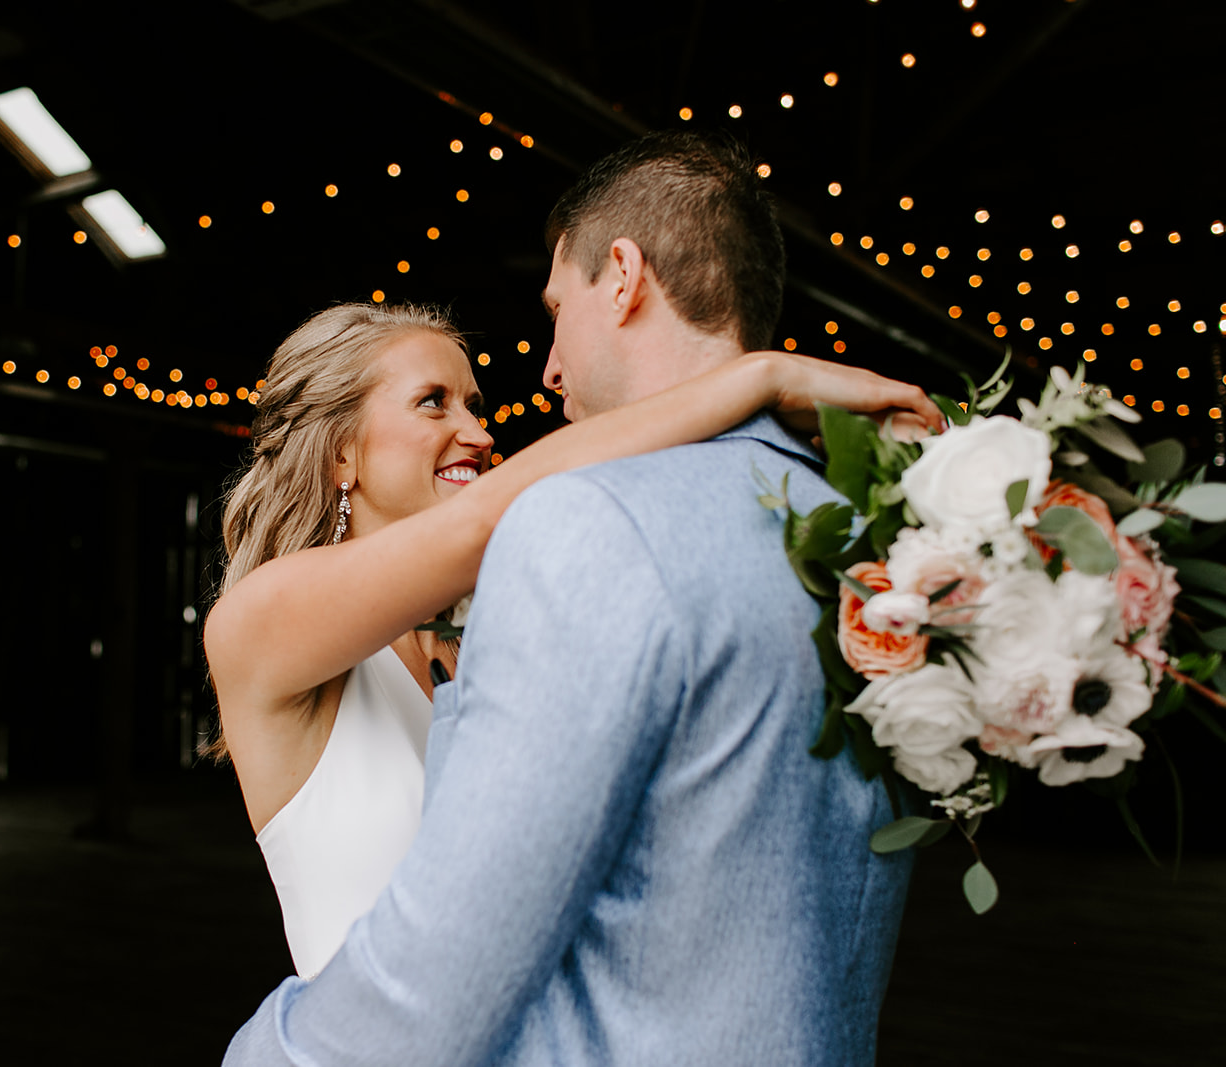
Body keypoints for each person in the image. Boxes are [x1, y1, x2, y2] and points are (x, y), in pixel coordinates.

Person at [221, 129, 926, 1066]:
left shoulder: (482, 621)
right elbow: (496, 517)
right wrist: (763, 374)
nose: (479, 428)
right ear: (342, 449)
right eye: (436, 403)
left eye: (476, 403)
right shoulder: (261, 621)